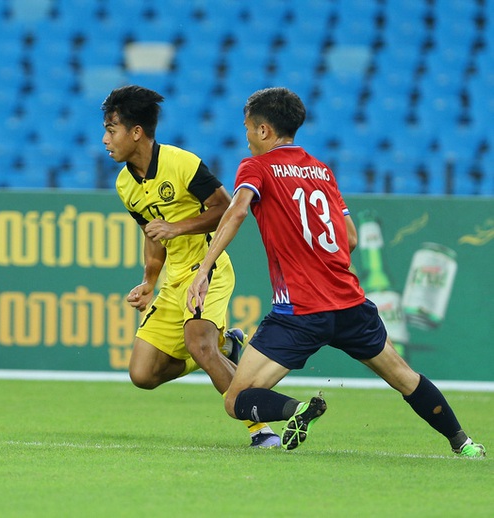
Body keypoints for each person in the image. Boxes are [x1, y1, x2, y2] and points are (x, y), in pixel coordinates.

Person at [186, 87, 486, 458]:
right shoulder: (321, 170)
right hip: (349, 304)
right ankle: (464, 443)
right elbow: (352, 238)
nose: (246, 137)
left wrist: (204, 268)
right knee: (406, 379)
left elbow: (237, 211)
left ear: (264, 131)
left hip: (298, 313)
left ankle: (296, 410)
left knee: (237, 400)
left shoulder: (256, 167)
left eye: (248, 128)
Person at [101, 85, 279, 448]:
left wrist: (177, 227)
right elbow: (152, 232)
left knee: (198, 344)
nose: (105, 139)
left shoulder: (182, 164)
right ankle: (223, 347)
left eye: (111, 129)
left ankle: (261, 430)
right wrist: (149, 280)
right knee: (142, 374)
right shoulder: (124, 184)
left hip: (207, 266)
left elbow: (225, 208)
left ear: (136, 132)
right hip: (174, 278)